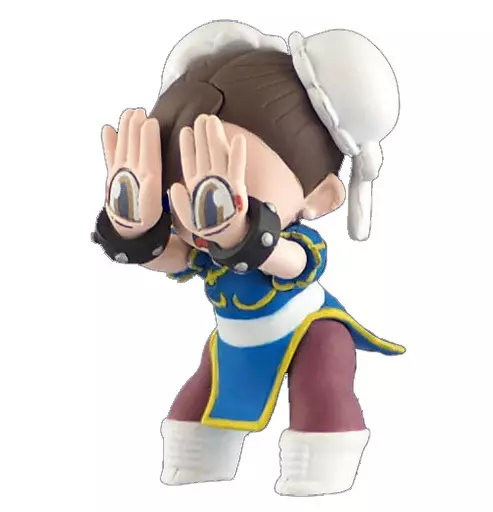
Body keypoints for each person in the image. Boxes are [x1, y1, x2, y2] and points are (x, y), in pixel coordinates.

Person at [92, 20, 405, 497]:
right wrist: (133, 234)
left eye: (215, 189)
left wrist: (244, 234)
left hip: (311, 331)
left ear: (319, 197)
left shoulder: (299, 246)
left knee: (321, 387)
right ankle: (198, 458)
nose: (191, 208)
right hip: (233, 339)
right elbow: (175, 259)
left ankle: (322, 462)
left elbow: (293, 264)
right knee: (202, 395)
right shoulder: (205, 249)